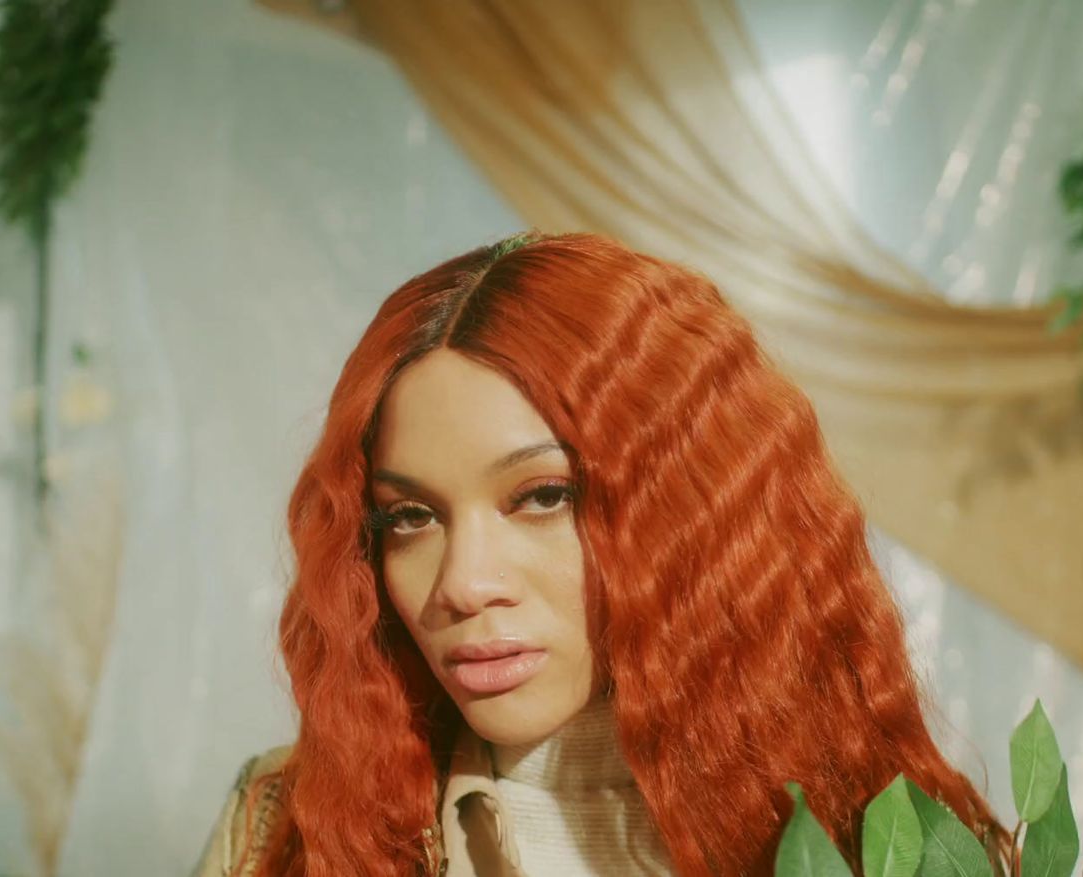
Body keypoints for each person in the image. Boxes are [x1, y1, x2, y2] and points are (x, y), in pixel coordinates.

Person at [193, 232, 1010, 877]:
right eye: (409, 516)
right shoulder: (284, 828)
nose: (464, 584)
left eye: (544, 496)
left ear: (696, 511)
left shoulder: (892, 838)